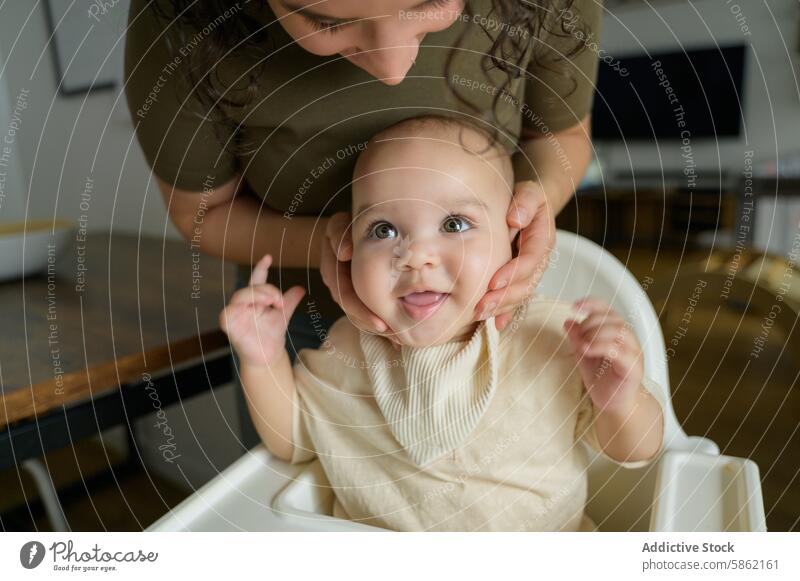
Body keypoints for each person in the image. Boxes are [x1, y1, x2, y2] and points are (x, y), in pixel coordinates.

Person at [124, 0, 603, 448]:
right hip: (308, 320)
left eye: (427, 4)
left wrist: (540, 197)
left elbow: (561, 136)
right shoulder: (330, 367)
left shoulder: (548, 344)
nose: (393, 68)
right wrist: (272, 346)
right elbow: (205, 214)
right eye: (328, 22)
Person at [218, 116, 665, 531]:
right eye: (383, 230)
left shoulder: (551, 338)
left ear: (515, 242)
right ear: (347, 245)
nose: (415, 255)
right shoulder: (346, 349)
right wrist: (263, 360)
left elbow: (635, 452)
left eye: (454, 223)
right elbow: (294, 441)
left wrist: (621, 401)